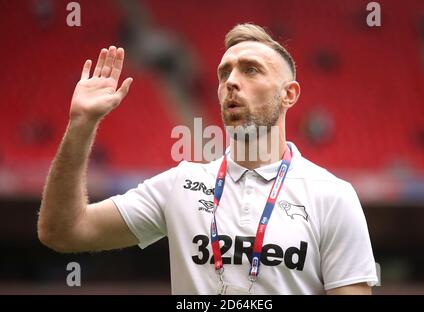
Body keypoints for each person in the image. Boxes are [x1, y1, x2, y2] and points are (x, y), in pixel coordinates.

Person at [38, 23, 378, 294]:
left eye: (251, 70)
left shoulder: (332, 197)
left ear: (288, 94)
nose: (231, 82)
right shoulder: (181, 185)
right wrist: (82, 124)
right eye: (224, 73)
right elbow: (63, 231)